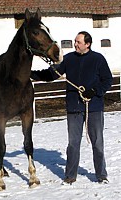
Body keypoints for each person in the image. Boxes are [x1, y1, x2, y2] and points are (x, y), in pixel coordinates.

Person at [31, 31, 113, 184]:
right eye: (75, 41)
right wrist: (32, 75)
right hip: (74, 107)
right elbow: (52, 74)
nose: (75, 44)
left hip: (93, 107)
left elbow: (108, 80)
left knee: (97, 143)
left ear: (87, 44)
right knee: (73, 144)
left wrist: (95, 91)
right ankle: (70, 176)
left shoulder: (98, 59)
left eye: (78, 42)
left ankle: (101, 175)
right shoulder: (69, 59)